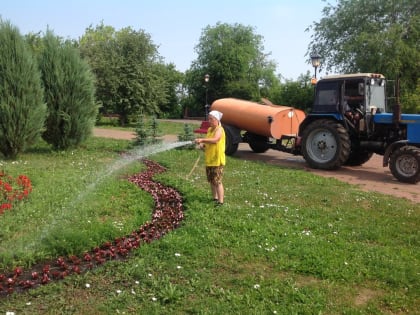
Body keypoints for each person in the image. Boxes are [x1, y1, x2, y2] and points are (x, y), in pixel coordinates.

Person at [195, 110, 226, 206]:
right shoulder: (209, 130)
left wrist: (202, 139)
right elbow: (208, 142)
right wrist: (203, 145)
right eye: (209, 119)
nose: (209, 121)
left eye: (211, 119)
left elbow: (216, 140)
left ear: (217, 120)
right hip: (210, 159)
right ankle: (215, 198)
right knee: (211, 180)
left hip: (217, 159)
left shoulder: (219, 129)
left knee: (217, 181)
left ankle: (220, 202)